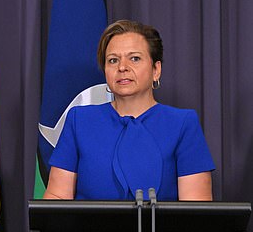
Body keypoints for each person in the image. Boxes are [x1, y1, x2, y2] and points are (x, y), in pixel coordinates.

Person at [43, 20, 214, 201]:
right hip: (87, 230)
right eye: (113, 60)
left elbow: (196, 209)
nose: (122, 67)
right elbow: (57, 197)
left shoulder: (183, 123)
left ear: (156, 70)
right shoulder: (79, 121)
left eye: (134, 58)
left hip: (159, 229)